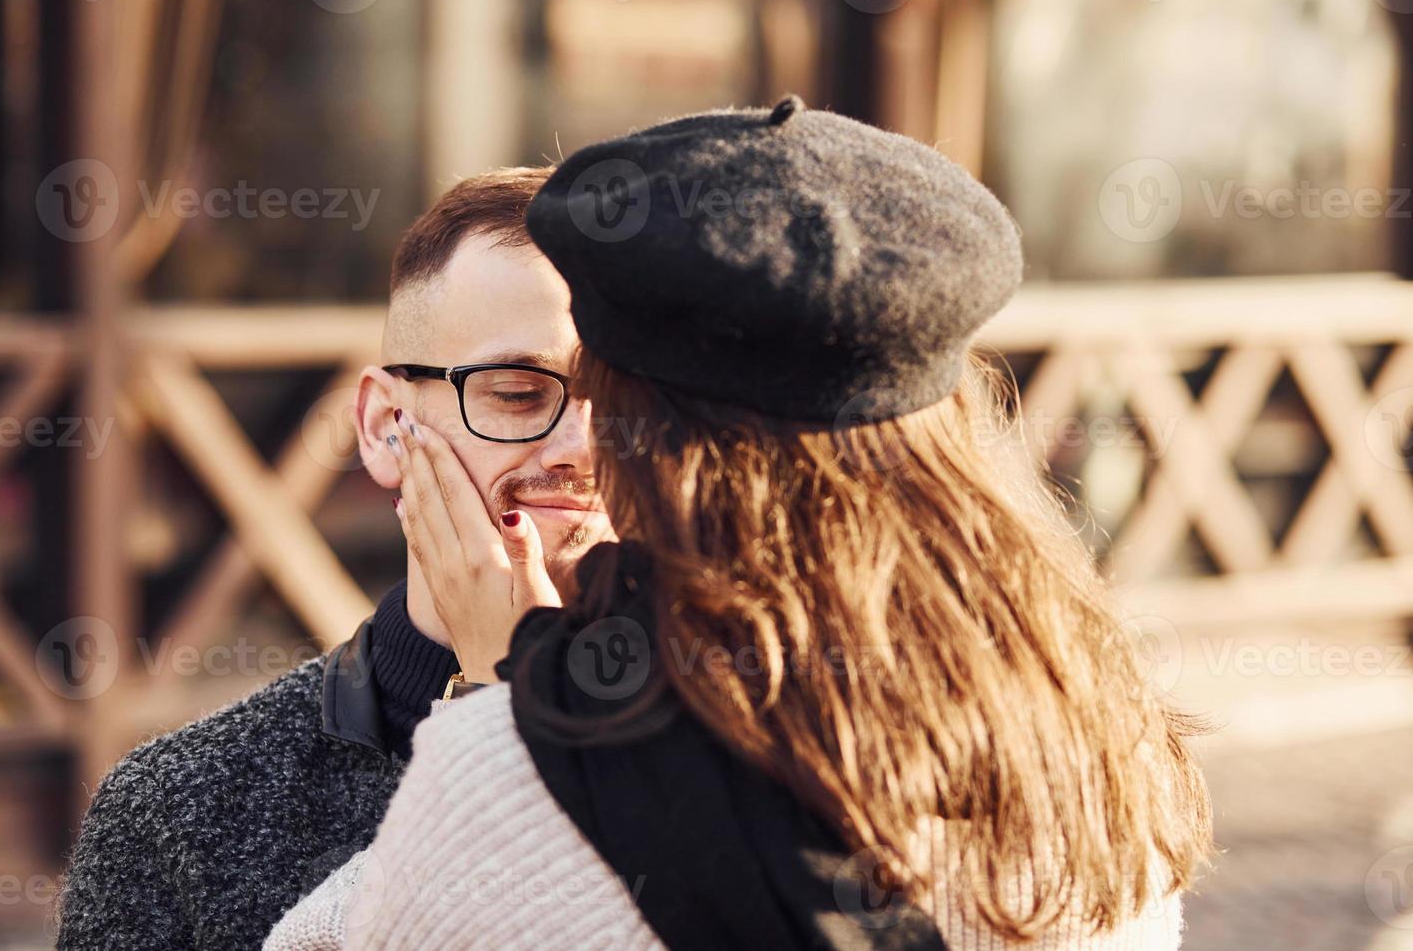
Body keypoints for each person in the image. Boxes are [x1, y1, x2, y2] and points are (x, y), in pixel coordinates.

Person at [268, 98, 1214, 950]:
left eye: (613, 405)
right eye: (522, 393)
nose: (583, 446)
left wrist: (507, 707)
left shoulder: (517, 777)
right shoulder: (1094, 739)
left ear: (674, 456)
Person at [56, 166, 615, 949]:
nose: (584, 446)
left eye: (630, 398)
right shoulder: (178, 814)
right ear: (387, 426)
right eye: (519, 392)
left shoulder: (766, 759)